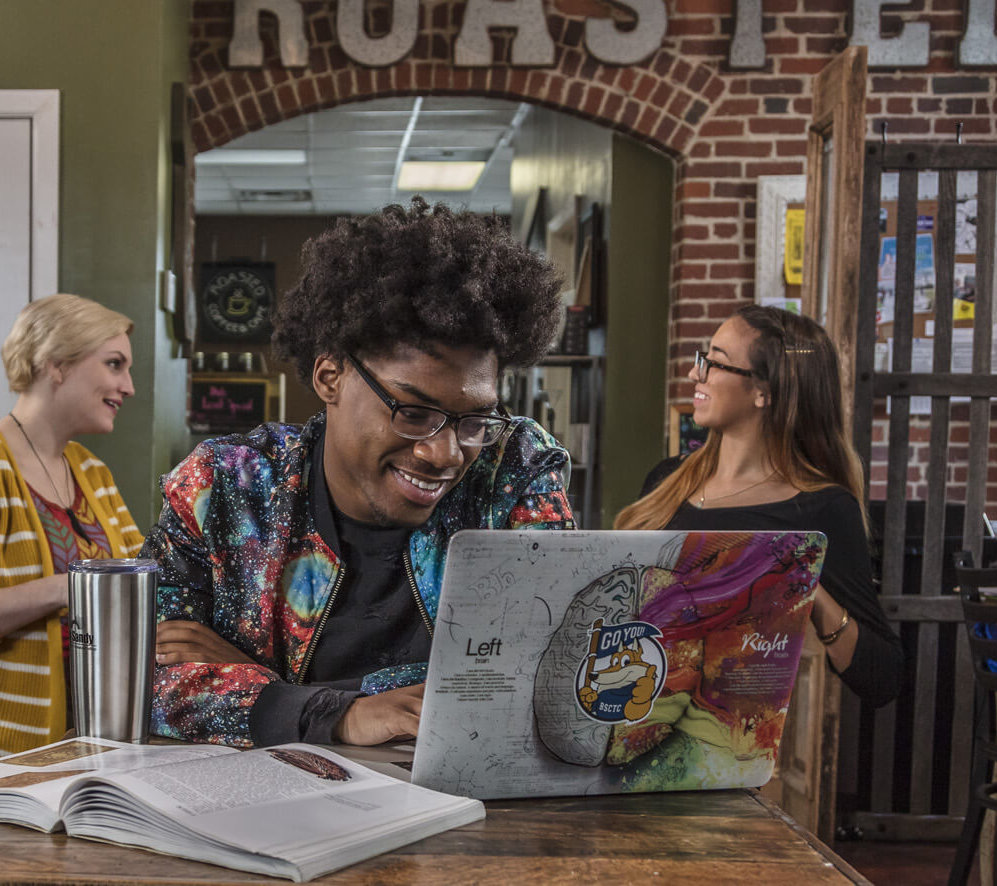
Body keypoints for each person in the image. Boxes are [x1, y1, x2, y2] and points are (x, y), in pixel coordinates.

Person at [144, 199, 575, 749]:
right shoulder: (226, 487)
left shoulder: (512, 470)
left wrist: (278, 692)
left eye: (472, 420)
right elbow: (146, 676)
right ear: (331, 377)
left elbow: (545, 673)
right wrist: (346, 712)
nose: (443, 454)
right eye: (413, 413)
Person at [615, 304, 904, 707]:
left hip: (733, 747)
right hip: (632, 711)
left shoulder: (821, 509)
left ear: (765, 391)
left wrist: (808, 589)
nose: (695, 374)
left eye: (715, 363)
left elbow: (883, 677)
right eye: (704, 359)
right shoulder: (667, 479)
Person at [0, 293, 143, 753]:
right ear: (56, 364)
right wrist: (78, 586)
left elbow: (141, 571)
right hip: (12, 754)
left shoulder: (92, 472)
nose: (129, 386)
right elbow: (112, 581)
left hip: (90, 744)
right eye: (114, 364)